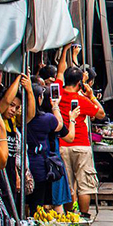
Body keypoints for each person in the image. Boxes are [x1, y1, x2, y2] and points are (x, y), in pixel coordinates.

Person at [55, 46, 105, 218]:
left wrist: (65, 52)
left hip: (62, 145)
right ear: (79, 84)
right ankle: (83, 216)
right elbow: (101, 114)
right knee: (84, 185)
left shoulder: (58, 94)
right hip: (82, 145)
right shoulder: (82, 100)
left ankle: (70, 215)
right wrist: (91, 96)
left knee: (68, 185)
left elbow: (60, 72)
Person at [25, 84, 68, 213]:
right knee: (37, 205)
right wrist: (55, 106)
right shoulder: (47, 119)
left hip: (22, 166)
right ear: (39, 99)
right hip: (39, 167)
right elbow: (59, 125)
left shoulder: (20, 120)